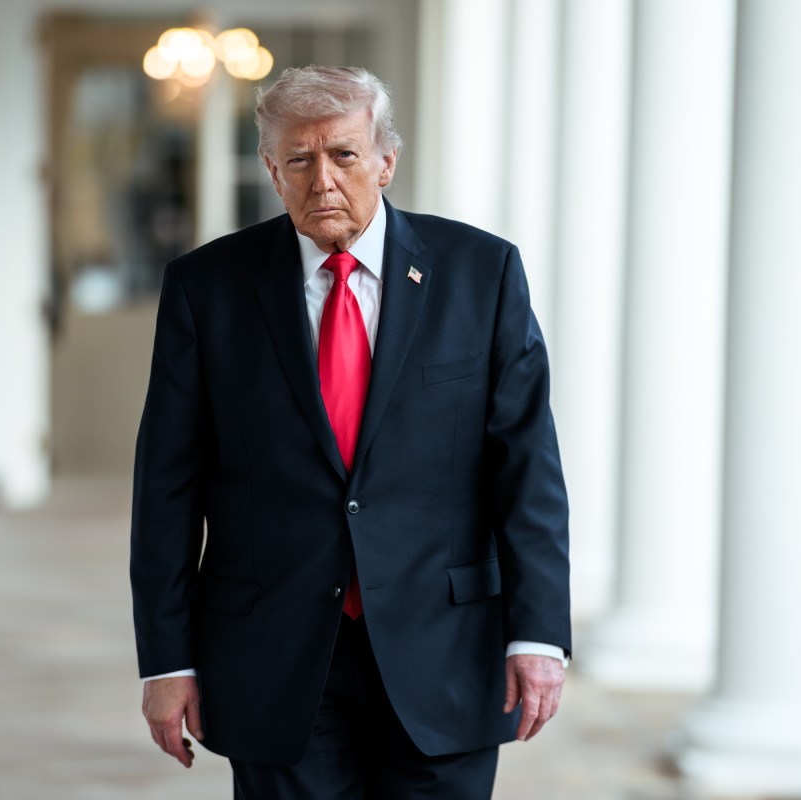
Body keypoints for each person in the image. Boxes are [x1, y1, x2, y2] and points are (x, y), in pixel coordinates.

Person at [130, 65, 570, 799]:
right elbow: (167, 488)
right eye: (299, 159)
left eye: (344, 155)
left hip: (445, 646)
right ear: (272, 169)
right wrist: (166, 659)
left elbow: (526, 466)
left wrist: (538, 634)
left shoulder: (481, 274)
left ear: (386, 161)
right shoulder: (207, 289)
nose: (322, 180)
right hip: (273, 647)